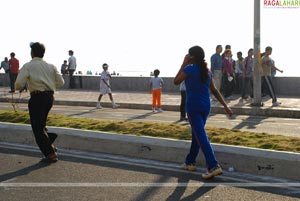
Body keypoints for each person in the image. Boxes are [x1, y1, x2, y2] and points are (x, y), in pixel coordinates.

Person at [174, 45, 233, 180]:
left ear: (192, 57)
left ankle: (213, 166)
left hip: (193, 106)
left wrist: (183, 63)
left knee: (201, 136)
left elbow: (176, 81)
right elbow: (214, 90)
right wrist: (225, 106)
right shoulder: (207, 71)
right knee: (197, 134)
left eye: (188, 55)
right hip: (206, 106)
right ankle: (190, 162)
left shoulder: (189, 69)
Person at [15, 42, 64, 163]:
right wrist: (50, 85)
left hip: (37, 98)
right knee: (41, 124)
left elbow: (18, 84)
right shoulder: (51, 66)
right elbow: (61, 82)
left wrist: (21, 86)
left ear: (32, 53)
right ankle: (49, 140)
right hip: (49, 97)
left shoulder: (28, 66)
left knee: (37, 128)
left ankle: (51, 153)